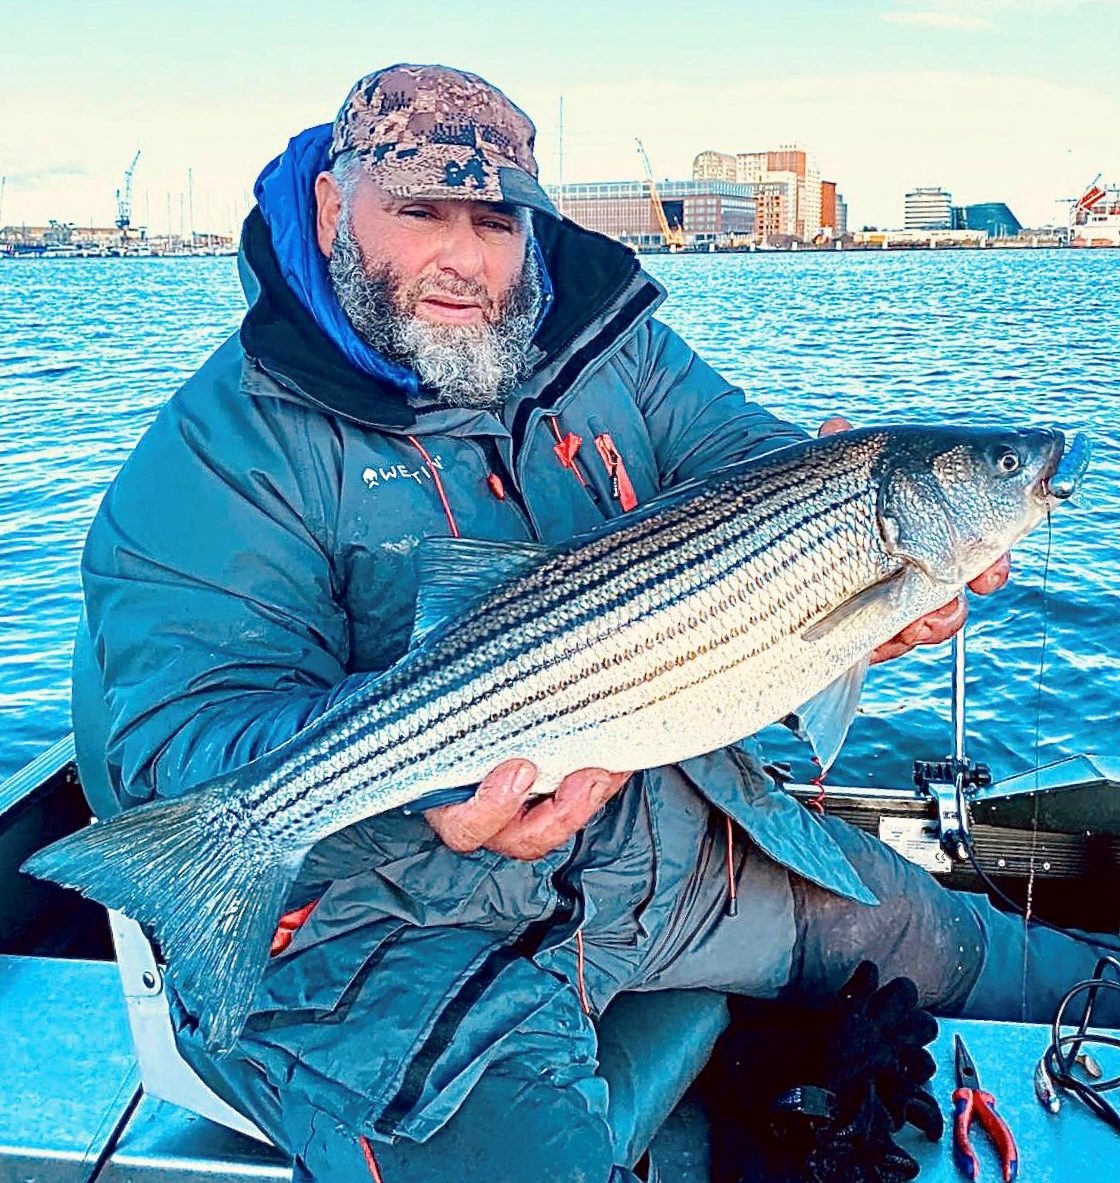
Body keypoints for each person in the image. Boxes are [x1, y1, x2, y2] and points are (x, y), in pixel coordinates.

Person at [76, 63, 1110, 1183]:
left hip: (648, 846)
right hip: (374, 942)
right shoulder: (216, 456)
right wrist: (429, 792)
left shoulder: (603, 343)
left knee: (951, 941)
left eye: (497, 219)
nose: (465, 260)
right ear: (333, 207)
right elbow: (168, 757)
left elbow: (746, 462)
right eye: (419, 212)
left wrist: (839, 568)